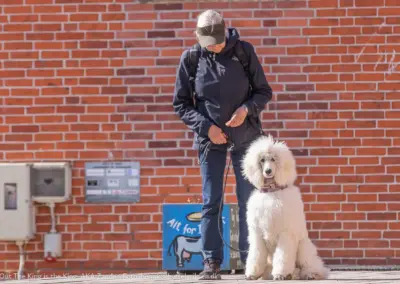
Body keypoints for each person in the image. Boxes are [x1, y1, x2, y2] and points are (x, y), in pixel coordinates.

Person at [172, 9, 273, 280]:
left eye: (217, 41)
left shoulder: (244, 52)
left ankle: (252, 263)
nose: (214, 47)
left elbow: (264, 91)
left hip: (246, 139)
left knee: (248, 200)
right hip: (210, 141)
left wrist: (246, 110)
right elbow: (180, 104)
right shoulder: (191, 59)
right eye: (209, 44)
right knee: (211, 202)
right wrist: (207, 128)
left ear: (225, 33)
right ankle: (211, 263)